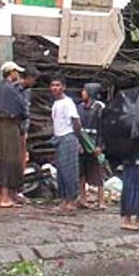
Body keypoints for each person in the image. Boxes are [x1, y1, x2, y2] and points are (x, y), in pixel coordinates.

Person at [0, 61, 28, 208]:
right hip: (9, 125)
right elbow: (21, 109)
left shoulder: (1, 88)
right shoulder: (9, 89)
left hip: (3, 125)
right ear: (11, 72)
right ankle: (5, 197)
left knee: (3, 159)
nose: (17, 75)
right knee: (10, 159)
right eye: (16, 72)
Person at [50, 78, 82, 213]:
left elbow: (76, 121)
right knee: (61, 172)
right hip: (59, 138)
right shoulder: (56, 104)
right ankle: (64, 199)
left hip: (68, 137)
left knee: (70, 171)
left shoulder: (68, 103)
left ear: (63, 87)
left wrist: (77, 138)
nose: (54, 88)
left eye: (58, 85)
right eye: (52, 85)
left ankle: (72, 200)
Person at [77, 82, 106, 210]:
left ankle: (101, 200)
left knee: (98, 172)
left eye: (85, 91)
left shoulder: (100, 108)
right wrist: (78, 142)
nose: (82, 93)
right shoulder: (80, 107)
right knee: (82, 172)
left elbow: (104, 129)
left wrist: (100, 145)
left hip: (94, 142)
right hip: (83, 141)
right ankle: (82, 198)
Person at [15, 67, 40, 204]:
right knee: (16, 159)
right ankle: (14, 190)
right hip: (15, 129)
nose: (34, 83)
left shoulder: (27, 92)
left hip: (24, 129)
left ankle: (19, 189)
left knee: (23, 158)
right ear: (28, 77)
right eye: (34, 80)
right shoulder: (15, 90)